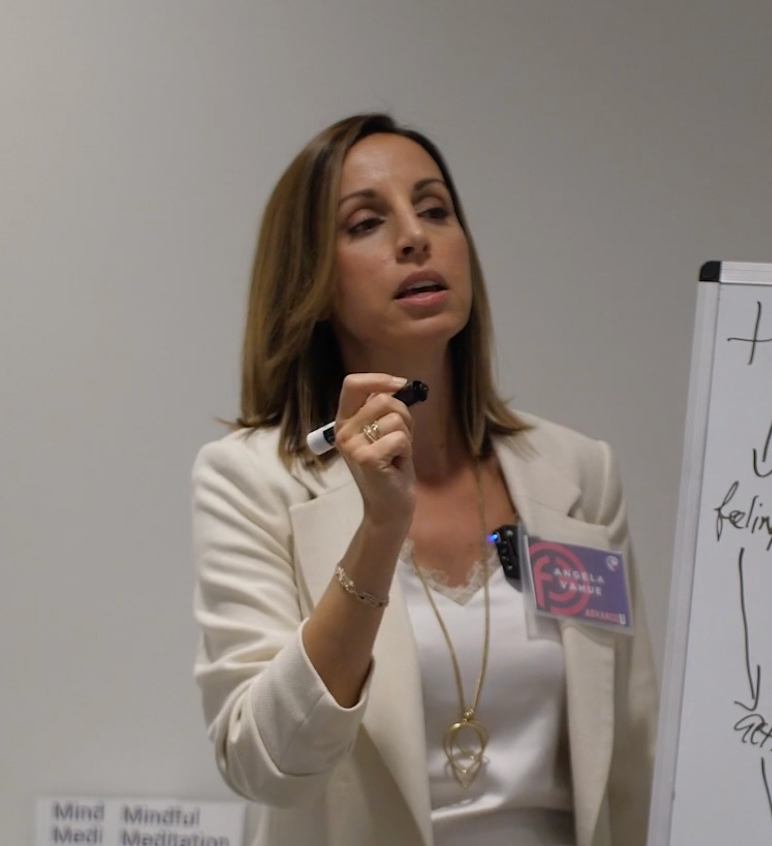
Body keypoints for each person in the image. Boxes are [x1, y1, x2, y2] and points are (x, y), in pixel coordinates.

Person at [190, 113, 657, 846]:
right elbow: (266, 765)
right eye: (366, 223)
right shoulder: (253, 480)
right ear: (311, 280)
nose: (414, 237)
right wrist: (381, 528)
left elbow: (630, 749)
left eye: (434, 210)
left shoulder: (578, 473)